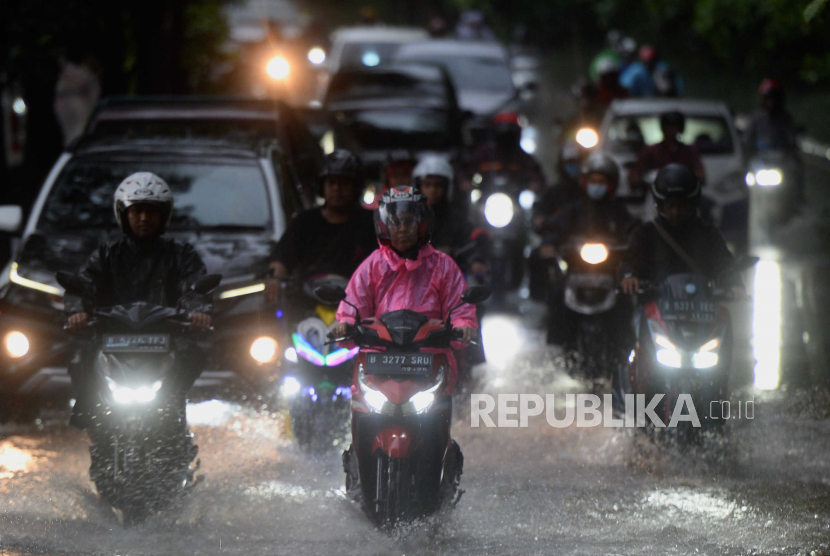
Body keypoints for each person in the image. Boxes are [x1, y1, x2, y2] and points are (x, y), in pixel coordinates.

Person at [65, 172, 212, 427]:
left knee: (193, 353)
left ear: (163, 216)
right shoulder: (106, 254)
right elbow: (83, 285)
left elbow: (194, 287)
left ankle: (172, 410)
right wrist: (78, 311)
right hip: (112, 338)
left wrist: (198, 311)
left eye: (151, 211)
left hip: (166, 338)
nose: (144, 218)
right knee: (81, 358)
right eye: (137, 211)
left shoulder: (181, 254)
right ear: (123, 214)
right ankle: (89, 414)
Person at [332, 186, 478, 392]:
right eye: (395, 222)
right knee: (361, 409)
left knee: (438, 412)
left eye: (409, 221)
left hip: (429, 357)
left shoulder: (443, 265)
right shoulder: (373, 264)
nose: (402, 229)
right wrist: (346, 324)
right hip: (380, 357)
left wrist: (463, 325)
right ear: (384, 226)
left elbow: (459, 306)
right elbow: (354, 302)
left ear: (422, 224)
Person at [539, 153, 639, 346]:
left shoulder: (618, 211)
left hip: (610, 272)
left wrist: (632, 247)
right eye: (593, 181)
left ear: (611, 184)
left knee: (626, 300)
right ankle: (559, 342)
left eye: (601, 181)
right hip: (577, 269)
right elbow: (556, 228)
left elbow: (633, 230)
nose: (597, 185)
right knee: (558, 293)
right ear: (585, 182)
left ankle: (624, 344)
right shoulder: (574, 209)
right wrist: (549, 244)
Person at [265, 149, 376, 303]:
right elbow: (282, 258)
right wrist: (274, 280)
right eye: (331, 183)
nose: (337, 189)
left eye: (344, 183)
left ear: (355, 187)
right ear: (322, 186)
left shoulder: (370, 223)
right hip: (306, 307)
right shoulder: (304, 221)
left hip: (359, 308)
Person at [621, 164, 744, 297]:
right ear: (660, 204)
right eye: (670, 206)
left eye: (681, 206)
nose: (675, 212)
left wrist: (734, 284)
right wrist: (630, 276)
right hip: (655, 310)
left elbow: (724, 263)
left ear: (692, 203)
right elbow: (631, 261)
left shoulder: (708, 234)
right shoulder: (645, 234)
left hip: (702, 308)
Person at [412, 156, 487, 276]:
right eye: (427, 185)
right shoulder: (408, 218)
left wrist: (475, 260)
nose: (432, 190)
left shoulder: (456, 217)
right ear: (418, 187)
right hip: (414, 280)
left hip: (448, 279)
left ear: (447, 188)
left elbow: (467, 241)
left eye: (438, 185)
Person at [630, 111, 706, 187]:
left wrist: (688, 179)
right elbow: (636, 174)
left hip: (683, 192)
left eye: (675, 126)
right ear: (662, 128)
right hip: (656, 191)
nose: (671, 130)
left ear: (680, 129)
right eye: (668, 126)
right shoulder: (651, 151)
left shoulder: (689, 151)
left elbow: (700, 174)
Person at [744, 78, 799, 157]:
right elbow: (747, 138)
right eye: (768, 98)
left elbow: (791, 138)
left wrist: (791, 149)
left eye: (774, 98)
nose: (771, 102)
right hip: (760, 159)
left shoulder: (785, 118)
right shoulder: (755, 118)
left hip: (781, 159)